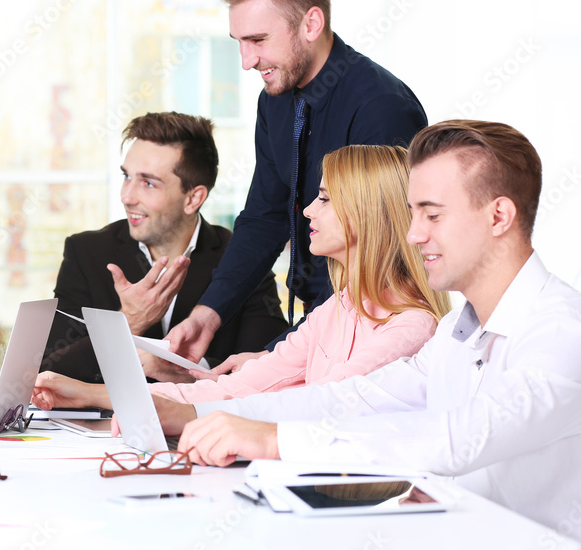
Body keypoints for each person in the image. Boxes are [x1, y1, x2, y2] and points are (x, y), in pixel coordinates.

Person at [152, 121, 581, 540]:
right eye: (413, 214)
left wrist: (273, 440)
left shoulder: (562, 333)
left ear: (499, 216)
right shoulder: (456, 330)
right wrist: (205, 417)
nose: (413, 235)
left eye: (432, 215)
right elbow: (352, 398)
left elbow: (455, 438)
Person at [34, 145, 449, 409]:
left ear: (367, 214)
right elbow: (237, 389)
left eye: (323, 199)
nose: (307, 211)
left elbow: (311, 404)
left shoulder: (411, 326)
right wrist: (88, 394)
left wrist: (117, 400)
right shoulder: (336, 309)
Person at [167, 0, 428, 363]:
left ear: (311, 23)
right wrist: (209, 313)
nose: (247, 61)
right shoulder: (275, 101)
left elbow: (375, 251)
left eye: (258, 40)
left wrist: (276, 361)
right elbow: (265, 217)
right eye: (238, 42)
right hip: (320, 327)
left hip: (372, 334)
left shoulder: (381, 107)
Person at [40, 112, 287, 383]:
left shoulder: (241, 259)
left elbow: (269, 371)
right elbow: (47, 372)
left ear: (193, 198)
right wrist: (128, 323)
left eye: (148, 183)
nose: (127, 196)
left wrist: (182, 372)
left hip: (203, 423)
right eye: (126, 176)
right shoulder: (86, 252)